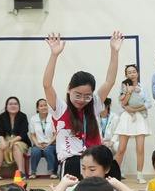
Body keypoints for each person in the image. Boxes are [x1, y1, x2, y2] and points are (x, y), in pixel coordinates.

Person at [41, 32, 122, 181]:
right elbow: (47, 84)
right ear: (68, 90)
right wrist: (54, 55)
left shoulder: (94, 105)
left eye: (87, 96)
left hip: (95, 160)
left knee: (111, 179)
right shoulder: (59, 108)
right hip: (72, 161)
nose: (82, 100)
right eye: (77, 95)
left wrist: (114, 52)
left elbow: (110, 81)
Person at [113, 63, 151, 177]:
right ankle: (115, 173)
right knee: (121, 149)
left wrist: (135, 109)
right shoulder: (124, 87)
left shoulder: (143, 87)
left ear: (137, 73)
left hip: (140, 117)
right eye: (129, 72)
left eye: (134, 71)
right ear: (126, 75)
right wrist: (129, 91)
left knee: (140, 148)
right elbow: (123, 103)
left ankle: (140, 174)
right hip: (127, 118)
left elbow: (148, 103)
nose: (132, 74)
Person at [0, 95, 31, 180]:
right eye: (10, 104)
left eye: (15, 104)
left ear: (18, 106)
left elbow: (23, 133)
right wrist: (2, 142)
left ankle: (21, 172)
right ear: (6, 106)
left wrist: (12, 141)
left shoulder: (23, 116)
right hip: (6, 139)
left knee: (16, 145)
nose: (13, 106)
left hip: (20, 140)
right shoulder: (2, 116)